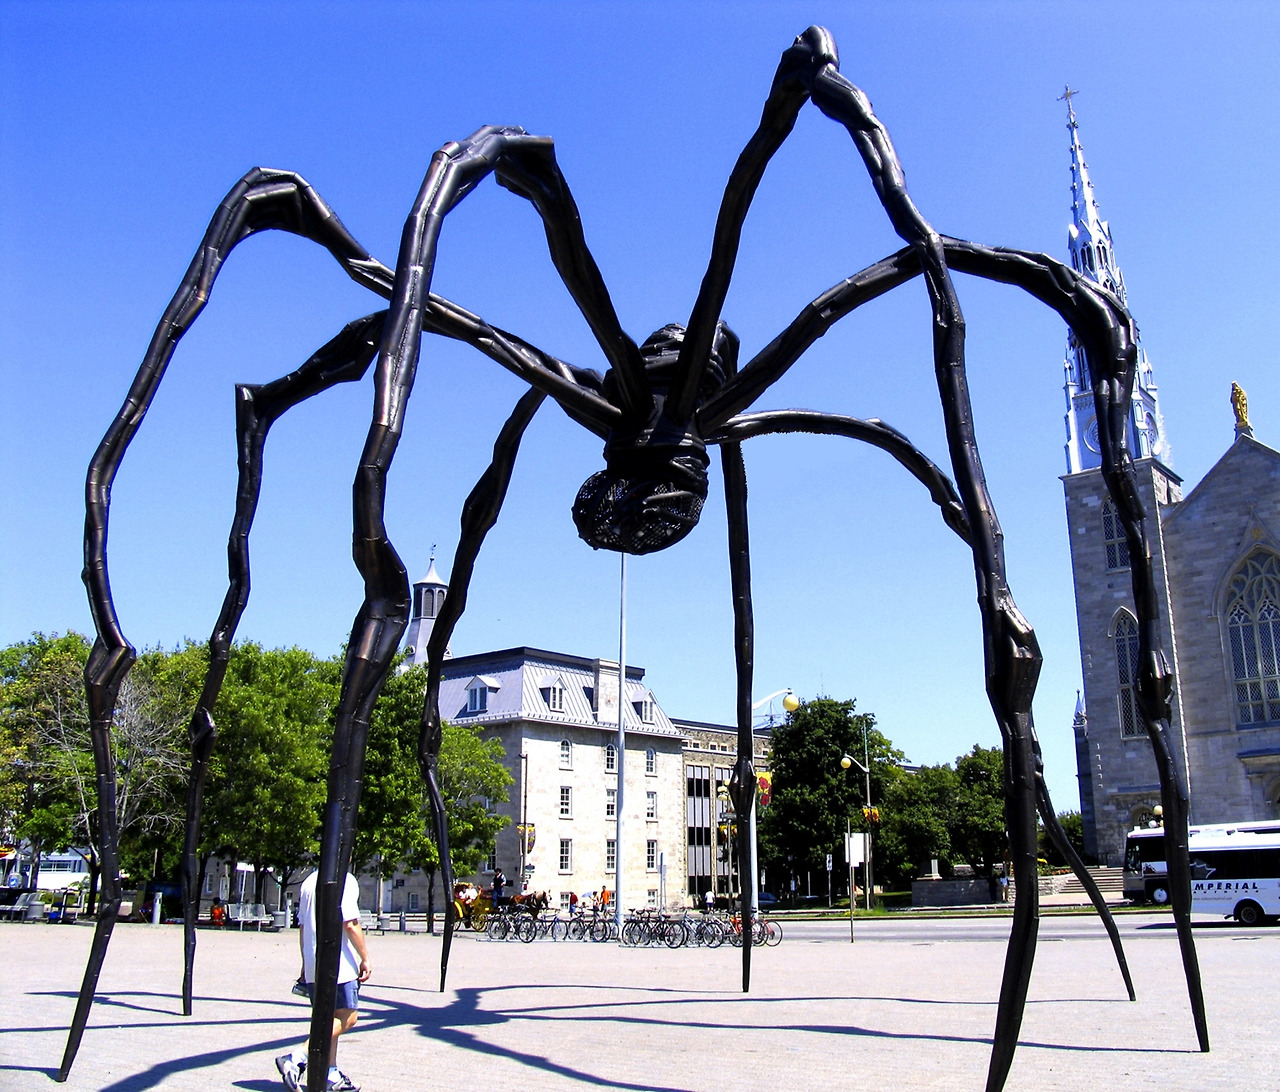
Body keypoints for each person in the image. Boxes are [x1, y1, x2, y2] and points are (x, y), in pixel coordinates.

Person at [275, 870, 370, 1092]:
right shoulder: (345, 879)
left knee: (330, 1019)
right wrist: (365, 957)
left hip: (313, 962)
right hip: (339, 962)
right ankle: (296, 1057)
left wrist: (305, 962)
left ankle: (331, 1073)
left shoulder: (309, 881)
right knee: (348, 1018)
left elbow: (302, 927)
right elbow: (350, 923)